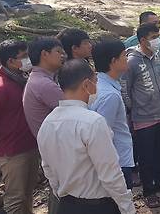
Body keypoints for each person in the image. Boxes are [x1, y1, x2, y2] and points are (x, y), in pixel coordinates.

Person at [37, 60, 136, 214]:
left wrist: (59, 192)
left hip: (66, 204)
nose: (97, 87)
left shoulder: (47, 123)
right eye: (95, 81)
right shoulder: (93, 122)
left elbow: (47, 167)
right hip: (98, 205)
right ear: (87, 85)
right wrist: (126, 206)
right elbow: (110, 173)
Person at [123, 23, 160, 208]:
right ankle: (149, 191)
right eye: (153, 37)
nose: (157, 40)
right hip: (143, 119)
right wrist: (136, 108)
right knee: (146, 157)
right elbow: (125, 90)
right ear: (142, 40)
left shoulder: (157, 56)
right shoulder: (131, 62)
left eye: (158, 36)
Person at [0, 40, 38, 214]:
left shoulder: (22, 79)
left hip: (29, 145)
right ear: (11, 61)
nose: (28, 59)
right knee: (15, 197)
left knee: (27, 194)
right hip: (12, 151)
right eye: (24, 56)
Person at [90, 40, 135, 188]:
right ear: (113, 61)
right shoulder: (109, 95)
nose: (127, 58)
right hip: (117, 161)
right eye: (123, 55)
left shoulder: (100, 85)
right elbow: (103, 134)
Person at [22, 36, 65, 137]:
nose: (62, 56)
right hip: (56, 144)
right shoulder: (44, 84)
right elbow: (75, 111)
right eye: (58, 52)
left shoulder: (38, 78)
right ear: (45, 54)